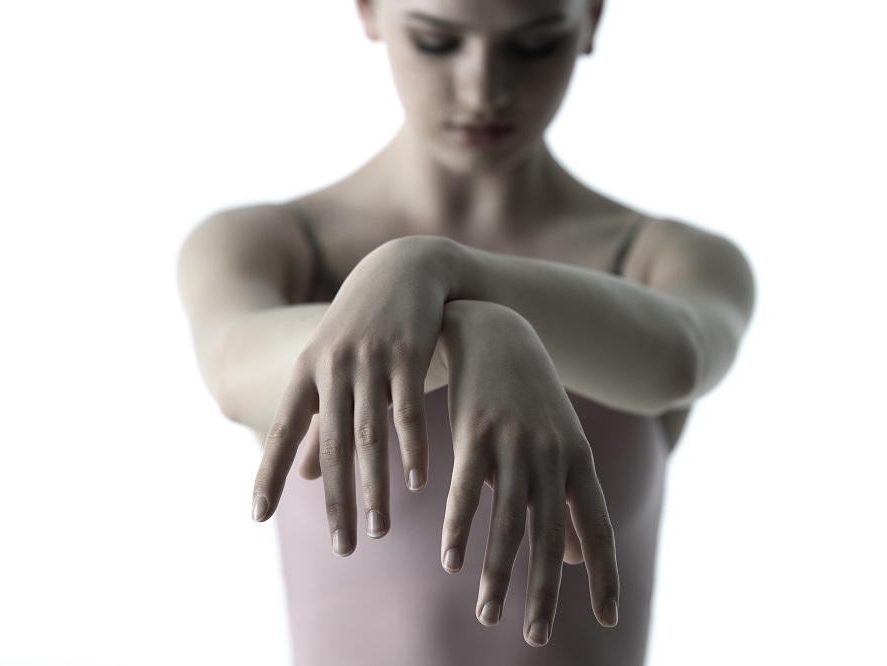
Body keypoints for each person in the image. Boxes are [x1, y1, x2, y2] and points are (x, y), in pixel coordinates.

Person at [176, 0, 755, 663]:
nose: (484, 90)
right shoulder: (272, 243)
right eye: (437, 41)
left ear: (591, 18)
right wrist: (475, 330)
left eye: (533, 45)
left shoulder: (668, 259)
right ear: (369, 10)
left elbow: (677, 359)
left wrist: (437, 270)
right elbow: (233, 372)